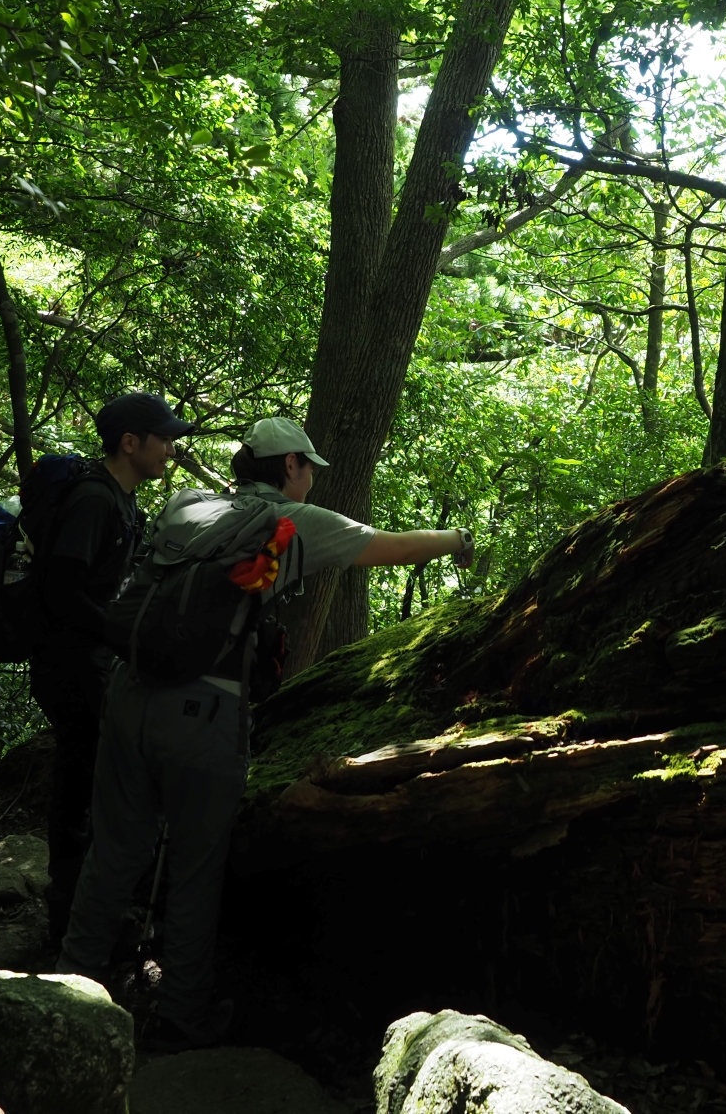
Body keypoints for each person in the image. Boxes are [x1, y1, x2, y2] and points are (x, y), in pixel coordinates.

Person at [55, 416, 474, 1048]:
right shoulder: (293, 525)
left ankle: (64, 994)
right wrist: (459, 539)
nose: (310, 480)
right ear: (289, 468)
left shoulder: (188, 505)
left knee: (113, 851)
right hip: (205, 711)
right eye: (308, 468)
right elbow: (395, 546)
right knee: (197, 868)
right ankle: (182, 1015)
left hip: (129, 693)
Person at [29, 391, 194, 949]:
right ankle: (70, 920)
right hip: (72, 668)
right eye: (164, 439)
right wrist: (123, 636)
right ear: (131, 443)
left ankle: (85, 912)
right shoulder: (95, 501)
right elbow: (61, 590)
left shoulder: (121, 501)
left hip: (92, 663)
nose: (170, 449)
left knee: (95, 781)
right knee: (84, 786)